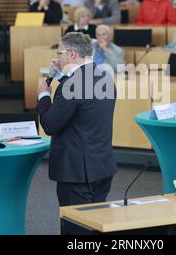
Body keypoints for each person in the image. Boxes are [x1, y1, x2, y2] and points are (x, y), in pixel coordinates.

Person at [36, 32, 117, 206]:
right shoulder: (105, 78)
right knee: (97, 223)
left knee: (75, 226)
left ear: (72, 54)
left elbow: (50, 124)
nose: (57, 58)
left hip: (76, 172)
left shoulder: (71, 86)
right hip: (101, 166)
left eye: (60, 53)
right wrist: (60, 76)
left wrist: (43, 95)